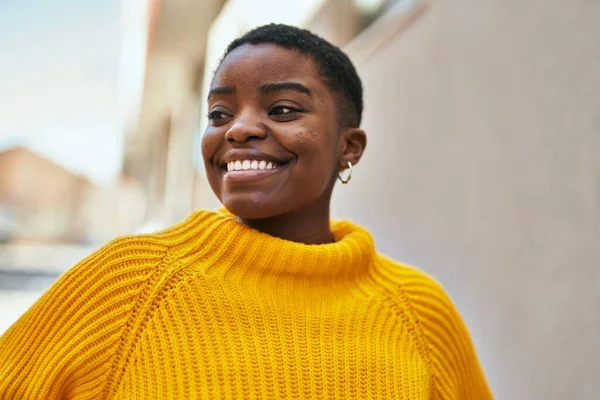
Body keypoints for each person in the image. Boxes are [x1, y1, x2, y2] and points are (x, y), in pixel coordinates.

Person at [0, 24, 492, 399]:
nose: (237, 129)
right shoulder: (127, 285)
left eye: (282, 110)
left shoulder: (419, 312)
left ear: (350, 147)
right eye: (219, 114)